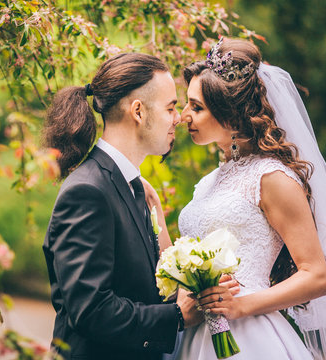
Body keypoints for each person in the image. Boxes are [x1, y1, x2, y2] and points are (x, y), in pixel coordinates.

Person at [146, 36, 326, 359]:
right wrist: (154, 208)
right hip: (199, 337)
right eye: (187, 104)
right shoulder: (210, 181)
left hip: (251, 338)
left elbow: (317, 275)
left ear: (231, 114)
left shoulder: (272, 178)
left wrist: (240, 305)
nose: (184, 115)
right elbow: (180, 269)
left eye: (196, 107)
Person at [42, 53, 205, 360]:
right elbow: (91, 311)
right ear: (138, 111)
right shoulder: (88, 192)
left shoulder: (132, 187)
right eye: (171, 107)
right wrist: (177, 316)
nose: (179, 118)